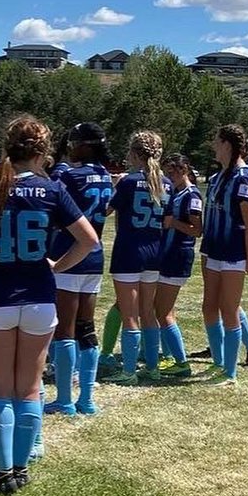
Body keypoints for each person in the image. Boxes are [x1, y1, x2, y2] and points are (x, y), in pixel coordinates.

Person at [0, 116, 97, 493]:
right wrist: (56, 266)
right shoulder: (51, 189)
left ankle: (2, 471)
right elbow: (89, 240)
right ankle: (20, 467)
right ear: (43, 150)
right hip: (39, 295)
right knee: (28, 389)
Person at [46, 122, 113, 415]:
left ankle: (64, 398)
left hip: (69, 253)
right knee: (87, 328)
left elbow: (57, 215)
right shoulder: (105, 175)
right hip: (94, 256)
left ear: (85, 145)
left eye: (74, 142)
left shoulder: (70, 176)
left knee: (65, 330)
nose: (70, 146)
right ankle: (86, 398)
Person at [103, 131, 170, 386]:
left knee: (130, 315)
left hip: (129, 250)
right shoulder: (165, 183)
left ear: (135, 153)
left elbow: (108, 210)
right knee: (148, 313)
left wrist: (114, 185)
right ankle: (152, 368)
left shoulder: (129, 182)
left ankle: (129, 371)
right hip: (154, 250)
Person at [200, 124, 248, 384]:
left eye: (216, 140)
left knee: (229, 309)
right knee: (208, 308)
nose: (213, 145)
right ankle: (217, 362)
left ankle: (230, 372)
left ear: (226, 144)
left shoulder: (243, 177)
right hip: (212, 250)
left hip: (233, 253)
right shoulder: (218, 177)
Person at [155, 154, 203, 379]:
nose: (169, 177)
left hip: (178, 255)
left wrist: (173, 223)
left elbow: (197, 229)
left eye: (173, 172)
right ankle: (169, 355)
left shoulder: (191, 195)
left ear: (184, 170)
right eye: (167, 173)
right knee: (165, 309)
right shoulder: (176, 193)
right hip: (168, 254)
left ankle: (182, 362)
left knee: (162, 312)